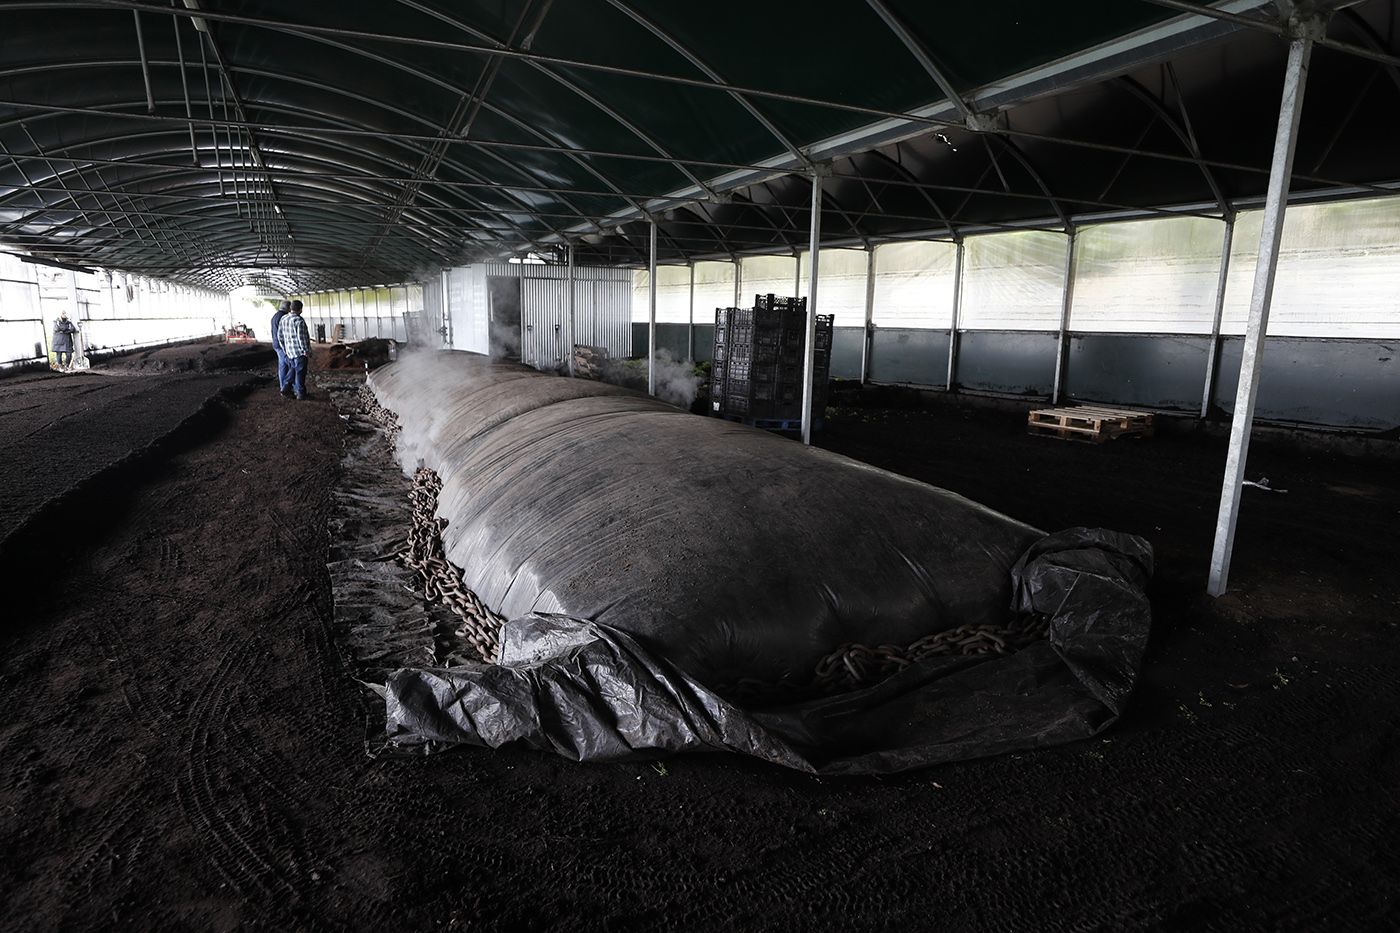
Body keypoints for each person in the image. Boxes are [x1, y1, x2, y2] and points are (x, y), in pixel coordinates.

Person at [277, 300, 312, 400]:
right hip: (299, 353)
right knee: (300, 373)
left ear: (291, 308)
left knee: (293, 370)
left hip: (290, 352)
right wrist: (306, 351)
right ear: (300, 309)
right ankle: (300, 394)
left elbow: (280, 337)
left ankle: (285, 388)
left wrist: (285, 349)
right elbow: (302, 338)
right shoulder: (299, 321)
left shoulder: (284, 318)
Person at [270, 299, 291, 396]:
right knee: (292, 366)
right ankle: (286, 388)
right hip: (282, 345)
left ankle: (283, 386)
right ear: (287, 308)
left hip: (276, 344)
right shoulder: (284, 317)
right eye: (290, 307)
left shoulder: (275, 316)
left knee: (283, 366)